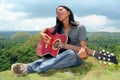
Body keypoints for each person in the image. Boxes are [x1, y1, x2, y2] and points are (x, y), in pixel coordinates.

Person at [11, 5, 94, 76]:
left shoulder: (80, 27)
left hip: (74, 57)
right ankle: (27, 67)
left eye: (61, 10)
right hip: (60, 56)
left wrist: (84, 55)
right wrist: (41, 34)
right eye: (57, 12)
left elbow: (83, 48)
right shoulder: (58, 28)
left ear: (69, 12)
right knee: (54, 56)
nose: (58, 13)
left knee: (70, 53)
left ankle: (29, 68)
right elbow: (46, 29)